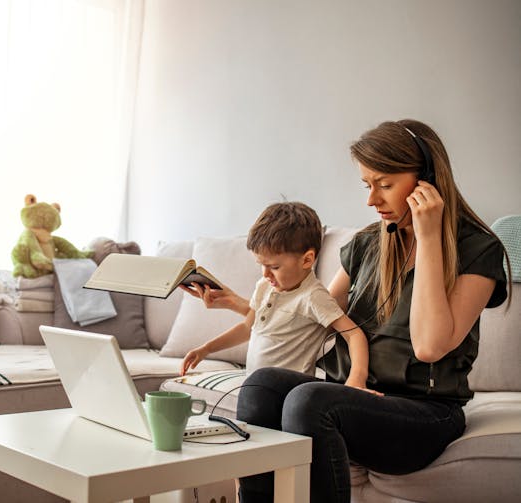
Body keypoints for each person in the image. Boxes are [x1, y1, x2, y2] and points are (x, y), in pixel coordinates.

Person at [188, 119, 510, 503]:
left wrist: (427, 238)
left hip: (424, 414)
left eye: (385, 185)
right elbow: (314, 311)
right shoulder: (369, 243)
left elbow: (428, 346)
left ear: (426, 179)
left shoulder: (478, 249)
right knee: (262, 385)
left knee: (310, 400)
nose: (371, 201)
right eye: (367, 185)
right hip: (355, 399)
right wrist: (238, 303)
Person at [179, 202, 371, 394]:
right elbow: (248, 327)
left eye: (274, 267)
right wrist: (206, 349)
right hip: (256, 389)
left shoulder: (313, 297)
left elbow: (353, 334)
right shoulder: (265, 286)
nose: (266, 274)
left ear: (307, 260)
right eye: (261, 265)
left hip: (287, 392)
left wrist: (357, 379)